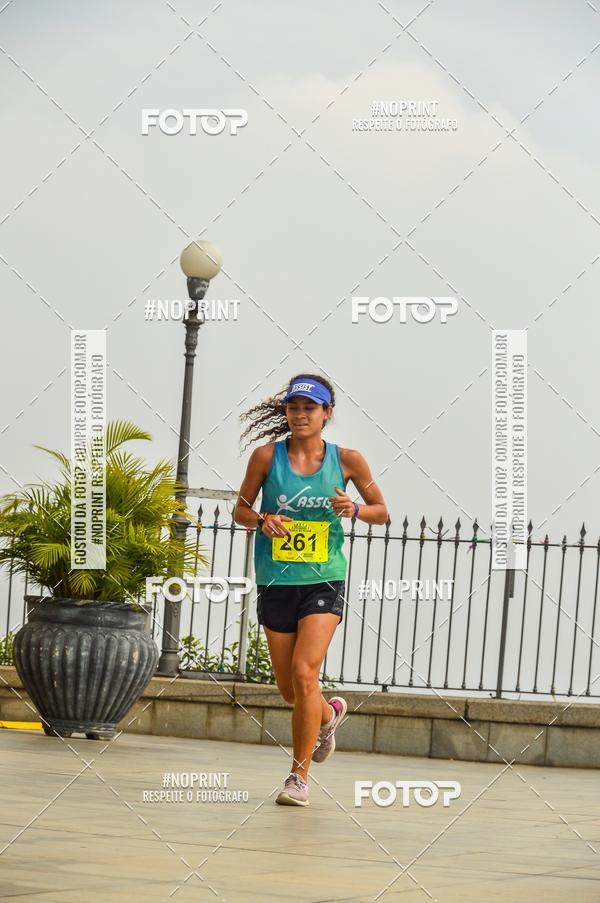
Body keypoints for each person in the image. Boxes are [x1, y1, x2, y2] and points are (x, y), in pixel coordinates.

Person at [234, 373, 388, 806]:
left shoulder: (348, 460)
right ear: (286, 412)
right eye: (294, 407)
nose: (300, 414)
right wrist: (263, 520)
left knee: (306, 673)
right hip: (276, 579)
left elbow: (381, 511)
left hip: (324, 578)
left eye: (310, 407)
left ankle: (298, 778)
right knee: (291, 690)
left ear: (327, 413)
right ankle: (329, 713)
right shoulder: (267, 457)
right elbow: (240, 510)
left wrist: (354, 508)